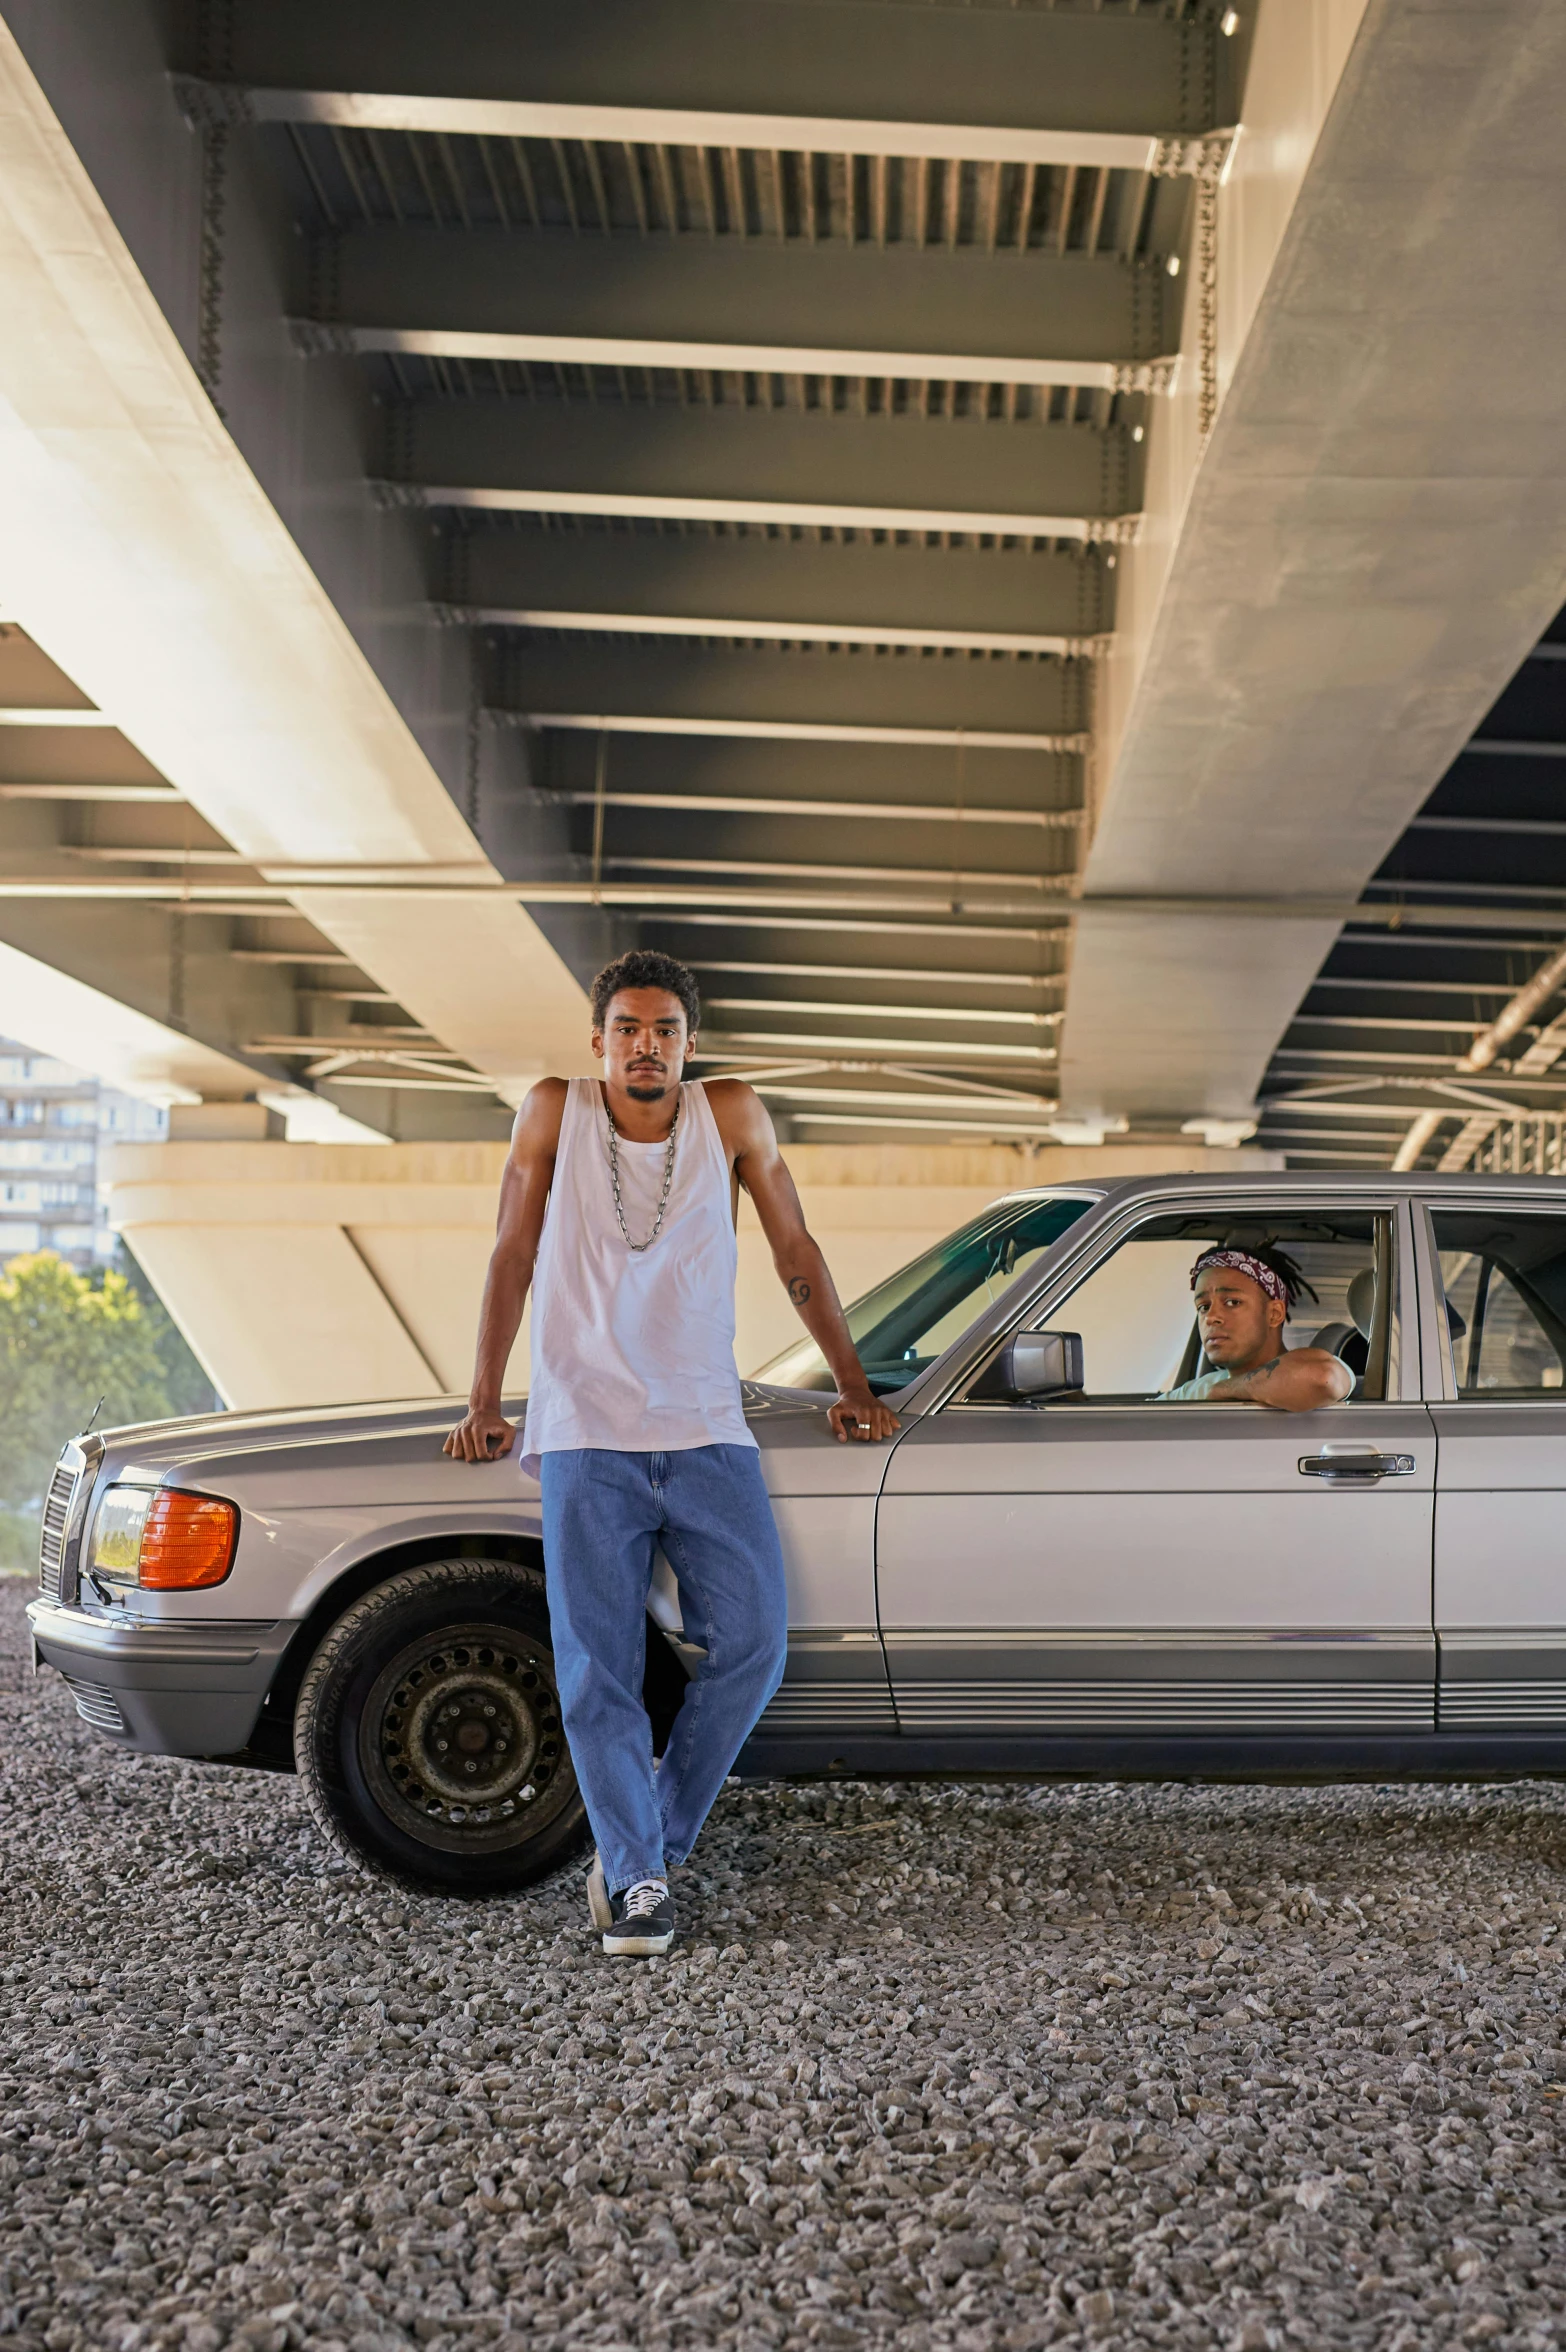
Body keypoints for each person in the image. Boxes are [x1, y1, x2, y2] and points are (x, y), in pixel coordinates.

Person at [443, 949, 899, 1956]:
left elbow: (795, 1250)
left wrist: (853, 1386)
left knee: (754, 1647)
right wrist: (485, 1398)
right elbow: (512, 1253)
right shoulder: (551, 1111)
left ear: (691, 1044)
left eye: (665, 1032)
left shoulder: (730, 1113)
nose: (645, 1046)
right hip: (584, 1436)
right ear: (599, 1038)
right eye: (627, 1030)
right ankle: (642, 1883)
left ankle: (646, 1831)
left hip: (704, 1428)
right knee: (596, 1672)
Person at [1159, 1245, 1353, 1409]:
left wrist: (1223, 1391)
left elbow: (1323, 1378)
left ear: (1274, 1314)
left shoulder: (1326, 1368)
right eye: (1203, 1307)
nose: (1211, 1317)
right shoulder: (1194, 1391)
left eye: (1232, 1302)